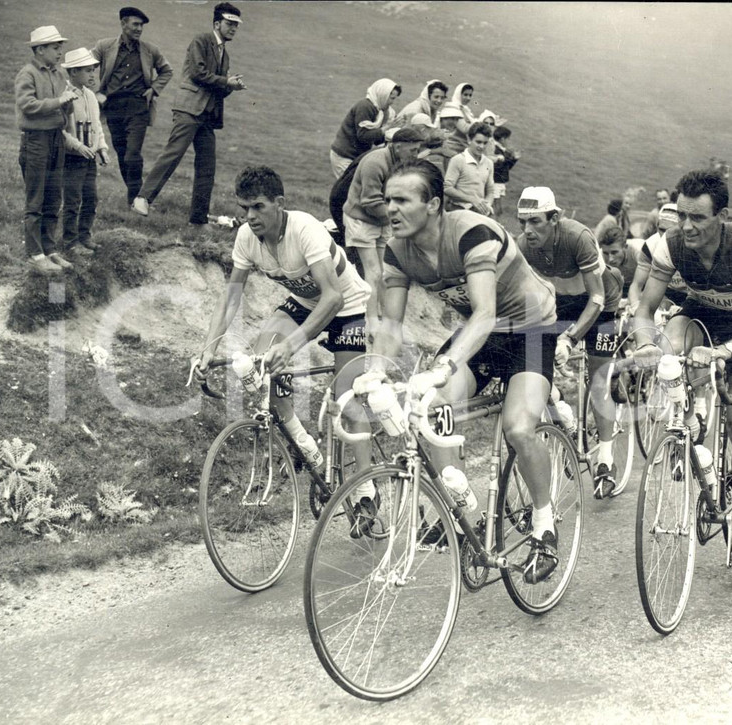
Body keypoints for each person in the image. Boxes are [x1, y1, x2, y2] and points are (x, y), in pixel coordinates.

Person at [366, 159, 560, 582]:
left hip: (529, 326)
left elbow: (486, 312)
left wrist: (444, 365)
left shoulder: (473, 232)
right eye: (387, 201)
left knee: (519, 428)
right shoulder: (397, 249)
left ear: (434, 204)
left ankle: (545, 526)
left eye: (402, 200)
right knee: (430, 403)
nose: (391, 210)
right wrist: (374, 370)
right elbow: (392, 327)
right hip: (482, 333)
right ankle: (461, 513)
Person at [194, 166, 377, 520]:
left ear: (279, 203)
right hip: (305, 303)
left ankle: (367, 490)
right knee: (265, 358)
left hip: (346, 304)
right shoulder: (247, 237)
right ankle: (304, 444)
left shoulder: (305, 230)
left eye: (258, 207)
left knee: (346, 397)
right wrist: (208, 347)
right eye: (244, 207)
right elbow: (231, 296)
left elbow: (333, 299)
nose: (250, 216)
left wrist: (291, 345)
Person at [632, 169, 732, 568]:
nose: (686, 225)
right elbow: (645, 309)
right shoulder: (671, 244)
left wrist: (726, 351)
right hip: (699, 315)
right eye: (681, 215)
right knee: (669, 343)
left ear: (722, 215)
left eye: (697, 217)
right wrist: (646, 342)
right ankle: (689, 422)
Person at [516, 186, 624, 499]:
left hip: (602, 301)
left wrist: (569, 337)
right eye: (523, 222)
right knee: (535, 367)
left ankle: (606, 460)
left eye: (535, 221)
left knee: (598, 378)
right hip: (562, 301)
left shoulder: (578, 237)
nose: (527, 230)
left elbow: (597, 299)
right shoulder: (525, 245)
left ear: (555, 218)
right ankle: (562, 415)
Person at [133, 2, 246, 228]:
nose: (233, 28)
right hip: (188, 109)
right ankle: (142, 198)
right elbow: (197, 74)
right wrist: (226, 81)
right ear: (217, 23)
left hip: (207, 116)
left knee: (207, 167)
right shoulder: (201, 40)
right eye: (229, 23)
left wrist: (231, 87)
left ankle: (198, 220)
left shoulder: (226, 55)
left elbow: (217, 89)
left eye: (236, 25)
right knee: (174, 152)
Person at [341, 127, 425, 331]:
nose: (416, 155)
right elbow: (369, 201)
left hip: (382, 221)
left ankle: (388, 320)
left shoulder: (401, 164)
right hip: (360, 219)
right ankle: (370, 322)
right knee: (373, 272)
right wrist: (401, 216)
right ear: (398, 146)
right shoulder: (375, 162)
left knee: (386, 273)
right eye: (413, 150)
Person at [92, 7, 173, 209]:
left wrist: (154, 89)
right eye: (135, 24)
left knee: (132, 153)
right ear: (123, 23)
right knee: (121, 153)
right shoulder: (104, 46)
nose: (139, 29)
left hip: (138, 107)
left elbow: (166, 71)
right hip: (113, 106)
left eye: (142, 26)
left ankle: (135, 200)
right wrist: (96, 92)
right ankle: (136, 199)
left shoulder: (149, 50)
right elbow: (85, 66)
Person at [15, 26, 80, 275]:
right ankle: (35, 254)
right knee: (36, 200)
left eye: (59, 46)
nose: (60, 51)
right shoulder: (27, 74)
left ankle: (50, 250)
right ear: (40, 49)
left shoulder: (57, 75)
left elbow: (63, 110)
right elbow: (27, 105)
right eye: (55, 47)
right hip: (36, 141)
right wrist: (60, 101)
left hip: (56, 139)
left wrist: (69, 101)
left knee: (54, 198)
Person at [61, 48, 110, 256]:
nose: (92, 75)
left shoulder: (90, 96)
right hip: (72, 158)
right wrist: (78, 146)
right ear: (73, 72)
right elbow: (61, 130)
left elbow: (96, 125)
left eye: (93, 70)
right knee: (72, 200)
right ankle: (70, 242)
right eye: (87, 71)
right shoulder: (65, 96)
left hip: (89, 158)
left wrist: (102, 148)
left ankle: (85, 236)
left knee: (91, 198)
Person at [329, 79, 401, 179]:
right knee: (351, 188)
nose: (392, 102)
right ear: (382, 94)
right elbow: (363, 136)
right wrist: (386, 129)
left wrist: (393, 132)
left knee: (357, 188)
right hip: (344, 155)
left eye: (394, 99)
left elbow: (376, 140)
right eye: (391, 98)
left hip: (356, 156)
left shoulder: (381, 111)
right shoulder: (365, 107)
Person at [628, 202, 688, 312]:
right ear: (656, 226)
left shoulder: (691, 244)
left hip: (691, 294)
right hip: (666, 291)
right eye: (662, 229)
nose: (665, 236)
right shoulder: (650, 246)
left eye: (670, 230)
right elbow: (636, 285)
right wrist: (635, 307)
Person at [443, 121, 494, 216]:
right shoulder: (458, 160)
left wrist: (487, 204)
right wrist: (472, 200)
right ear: (469, 140)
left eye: (485, 143)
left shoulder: (488, 163)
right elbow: (447, 188)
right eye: (478, 142)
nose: (482, 146)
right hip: (458, 209)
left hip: (479, 211)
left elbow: (490, 190)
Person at [598, 226, 641, 295]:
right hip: (619, 288)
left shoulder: (638, 250)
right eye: (606, 253)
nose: (610, 259)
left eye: (614, 252)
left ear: (625, 247)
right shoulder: (600, 256)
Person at [491, 125, 517, 217]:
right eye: (508, 139)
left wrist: (514, 159)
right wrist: (507, 158)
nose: (509, 141)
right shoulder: (496, 150)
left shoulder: (503, 151)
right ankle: (496, 223)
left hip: (501, 182)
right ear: (502, 139)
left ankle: (497, 223)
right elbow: (497, 168)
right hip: (496, 181)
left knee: (498, 205)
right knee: (496, 205)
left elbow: (507, 168)